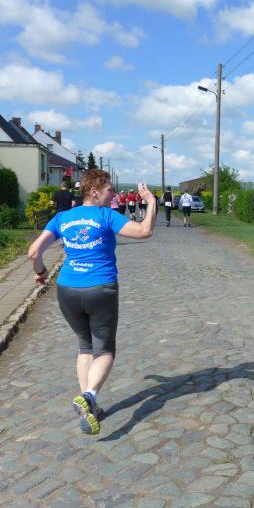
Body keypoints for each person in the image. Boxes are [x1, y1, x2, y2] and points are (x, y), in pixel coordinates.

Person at [27, 170, 157, 435]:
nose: (114, 194)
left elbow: (34, 251)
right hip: (100, 289)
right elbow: (145, 231)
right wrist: (151, 202)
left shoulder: (62, 218)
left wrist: (40, 272)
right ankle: (89, 395)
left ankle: (90, 407)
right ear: (95, 191)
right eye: (110, 190)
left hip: (68, 289)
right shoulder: (106, 215)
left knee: (85, 346)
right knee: (105, 350)